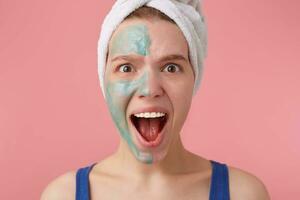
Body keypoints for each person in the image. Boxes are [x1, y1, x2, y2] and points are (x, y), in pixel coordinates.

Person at [41, 1, 270, 199]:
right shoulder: (63, 195)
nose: (150, 89)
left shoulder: (243, 193)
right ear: (104, 81)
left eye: (171, 67)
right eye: (126, 67)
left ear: (194, 79)